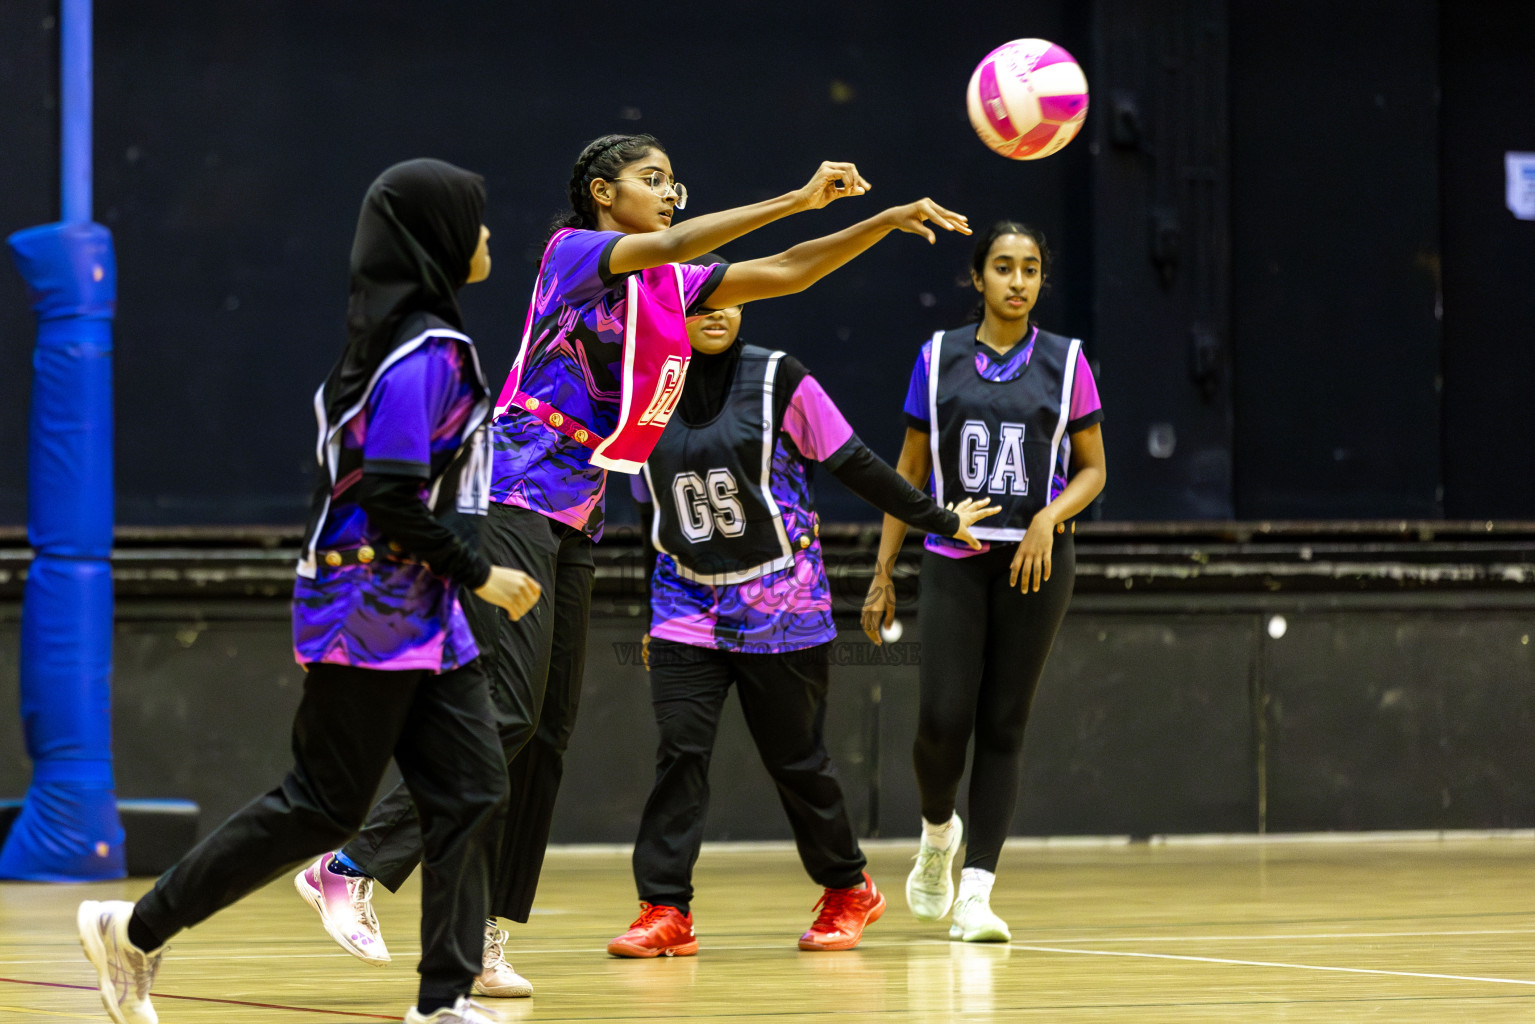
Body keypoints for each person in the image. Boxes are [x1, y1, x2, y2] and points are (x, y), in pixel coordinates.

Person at [298, 132, 970, 988]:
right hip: (511, 486)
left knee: (545, 736)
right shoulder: (573, 255)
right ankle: (349, 868)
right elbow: (682, 240)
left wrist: (878, 220)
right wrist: (796, 196)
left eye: (671, 180)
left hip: (578, 511)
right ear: (601, 192)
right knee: (506, 712)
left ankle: (486, 936)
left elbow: (793, 270)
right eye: (651, 180)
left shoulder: (667, 289)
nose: (668, 193)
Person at [77, 159, 540, 1024]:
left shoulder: (405, 341)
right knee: (322, 805)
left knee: (474, 787)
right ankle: (132, 925)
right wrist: (484, 571)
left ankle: (441, 1001)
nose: (486, 237)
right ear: (435, 238)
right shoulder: (423, 356)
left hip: (426, 614)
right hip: (372, 611)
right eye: (472, 222)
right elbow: (389, 499)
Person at [607, 255, 997, 958]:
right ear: (671, 313)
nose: (717, 311)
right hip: (684, 605)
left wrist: (937, 519)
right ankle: (665, 908)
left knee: (796, 761)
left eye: (729, 298)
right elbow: (648, 514)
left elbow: (858, 464)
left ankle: (848, 886)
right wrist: (648, 611)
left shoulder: (781, 378)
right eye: (699, 303)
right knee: (679, 755)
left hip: (780, 605)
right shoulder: (643, 391)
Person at [860, 220, 1106, 943]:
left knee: (1003, 724)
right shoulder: (937, 359)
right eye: (1003, 267)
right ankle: (939, 832)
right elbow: (907, 470)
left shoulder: (1067, 363)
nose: (1018, 280)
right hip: (954, 557)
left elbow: (1093, 469)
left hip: (1037, 561)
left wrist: (1048, 518)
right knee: (940, 723)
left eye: (1030, 268)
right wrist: (882, 572)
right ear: (978, 278)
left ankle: (977, 891)